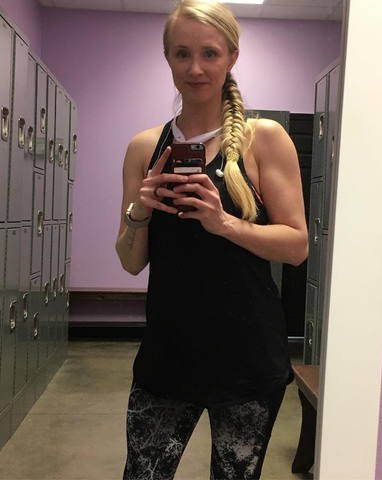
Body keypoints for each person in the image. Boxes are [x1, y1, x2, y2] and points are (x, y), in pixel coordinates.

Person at [115, 1, 308, 478]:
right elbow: (129, 263)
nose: (195, 68)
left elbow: (298, 245)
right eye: (182, 54)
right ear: (168, 59)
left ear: (231, 58)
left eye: (209, 53)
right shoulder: (145, 147)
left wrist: (225, 224)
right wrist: (139, 211)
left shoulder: (265, 139)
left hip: (247, 359)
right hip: (167, 354)